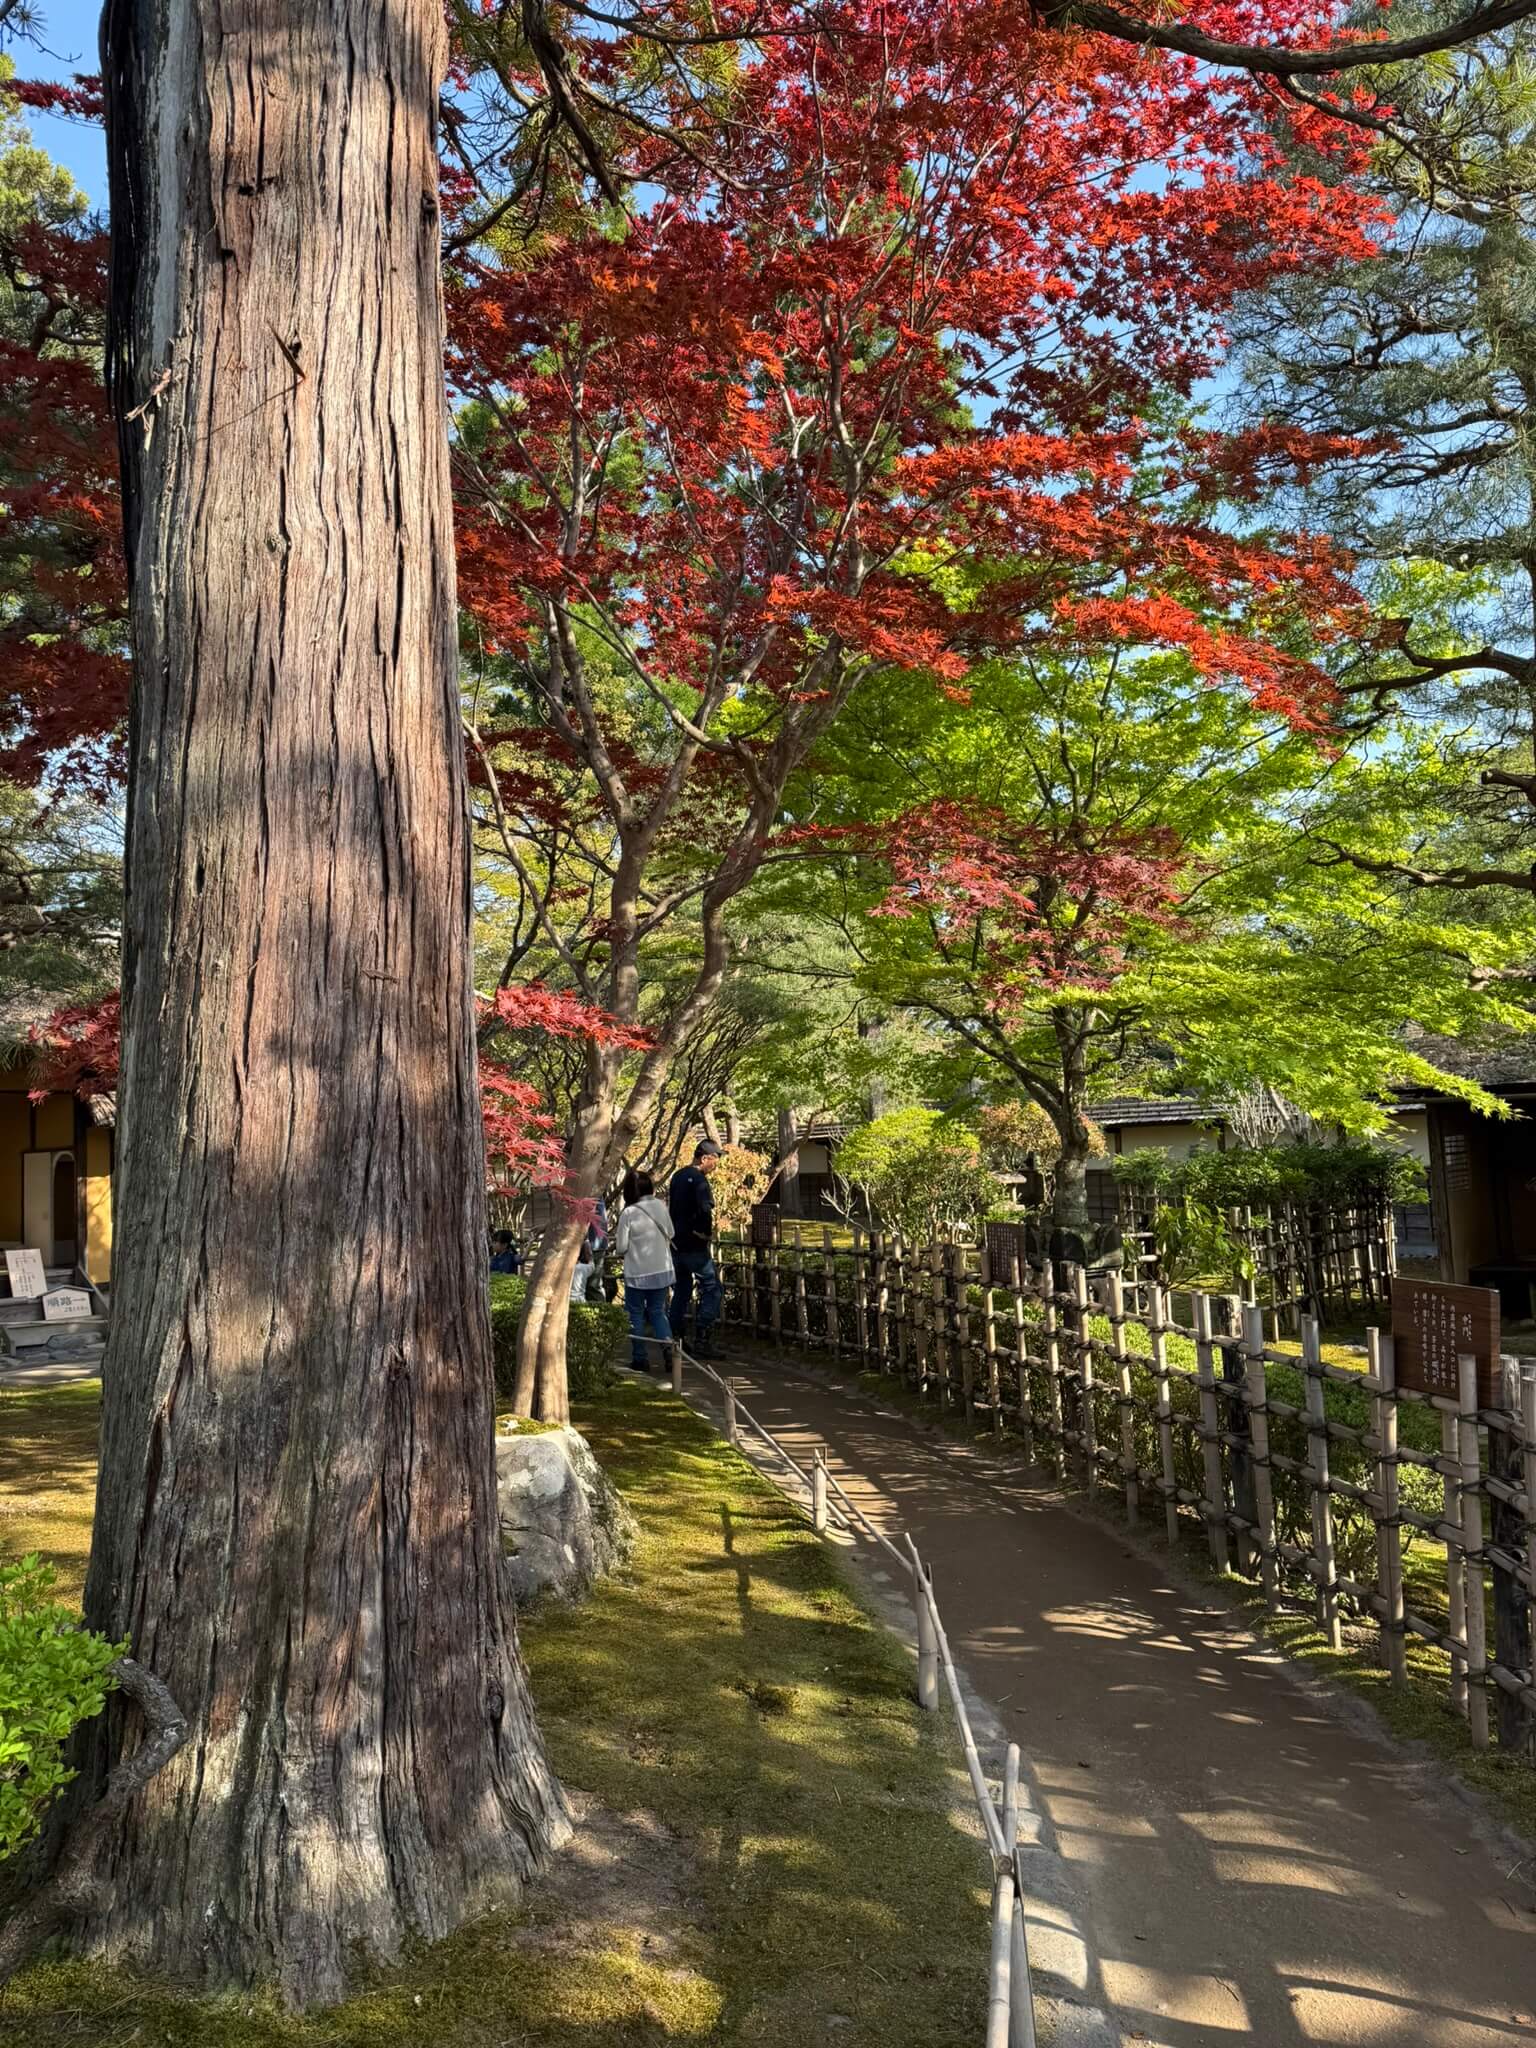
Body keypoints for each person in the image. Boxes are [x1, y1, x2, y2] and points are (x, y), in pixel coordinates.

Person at [614, 1171, 675, 1372]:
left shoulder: (629, 1213)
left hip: (637, 1273)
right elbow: (671, 1233)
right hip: (661, 1269)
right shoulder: (660, 1206)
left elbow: (621, 1247)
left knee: (635, 1315)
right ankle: (668, 1349)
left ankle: (640, 1358)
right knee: (658, 1312)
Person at [669, 1139, 724, 1357]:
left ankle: (676, 1338)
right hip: (695, 1246)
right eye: (715, 1160)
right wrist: (705, 1233)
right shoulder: (699, 1180)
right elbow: (705, 1210)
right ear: (704, 1158)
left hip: (676, 1243)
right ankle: (703, 1338)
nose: (716, 1165)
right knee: (712, 1288)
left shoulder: (678, 1176)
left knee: (681, 1290)